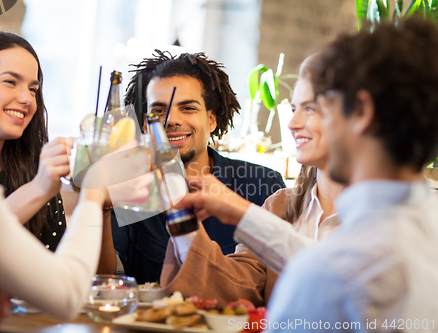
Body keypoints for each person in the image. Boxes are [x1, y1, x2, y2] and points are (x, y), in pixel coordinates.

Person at [178, 17, 438, 331]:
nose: (293, 124)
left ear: (362, 113)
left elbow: (330, 270)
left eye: (319, 106)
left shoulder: (326, 275)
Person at [0, 14, 109, 332]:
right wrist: (93, 193)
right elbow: (67, 294)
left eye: (33, 88)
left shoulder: (33, 174)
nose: (27, 98)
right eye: (10, 81)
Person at [161, 54, 343, 306]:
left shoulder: (385, 213)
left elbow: (344, 285)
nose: (292, 124)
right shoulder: (280, 205)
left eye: (309, 108)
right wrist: (182, 220)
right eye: (293, 109)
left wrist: (240, 210)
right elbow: (240, 287)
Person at [108, 50, 286, 284]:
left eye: (188, 108)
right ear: (144, 124)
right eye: (158, 111)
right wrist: (98, 204)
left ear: (211, 119)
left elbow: (283, 277)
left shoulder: (263, 184)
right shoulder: (131, 189)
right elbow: (108, 276)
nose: (171, 120)